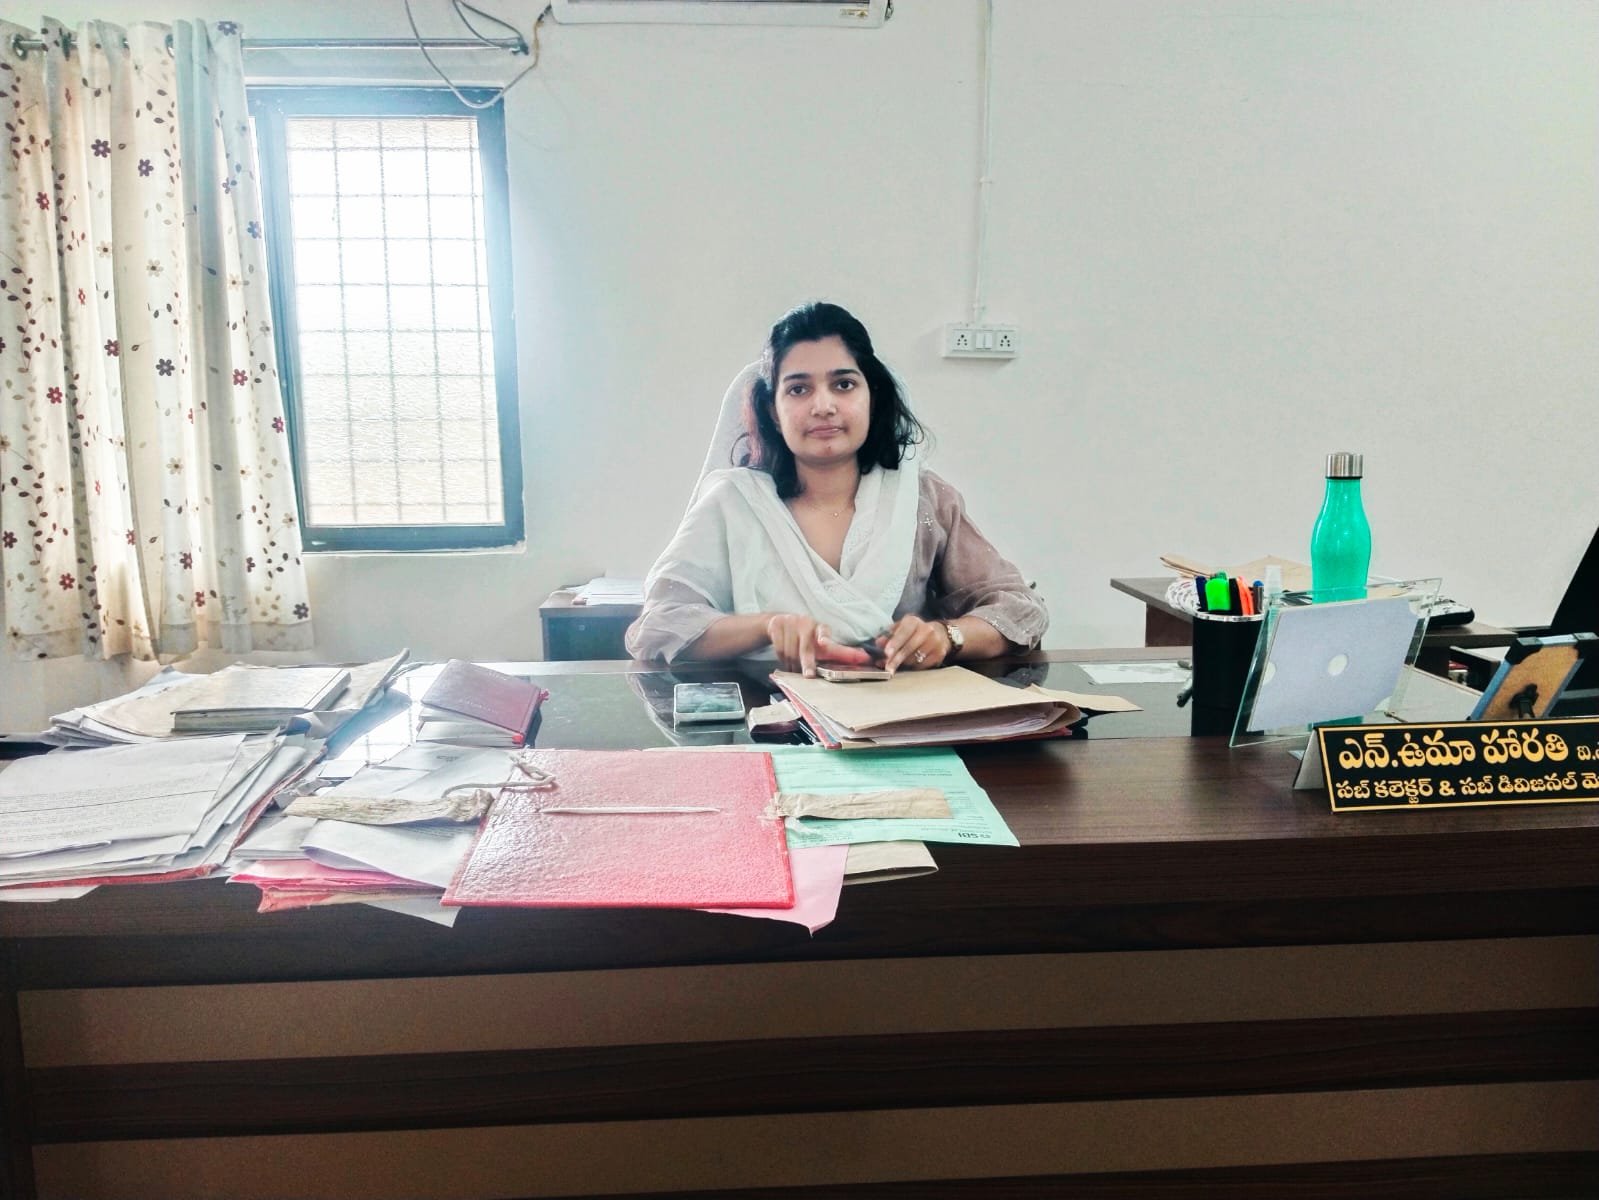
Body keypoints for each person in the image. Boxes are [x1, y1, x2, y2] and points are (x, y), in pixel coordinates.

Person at [625, 302, 1048, 676]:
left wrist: (947, 636)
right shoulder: (732, 503)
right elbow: (659, 625)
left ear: (872, 397)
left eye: (843, 384)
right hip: (768, 720)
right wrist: (767, 627)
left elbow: (1019, 609)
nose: (823, 406)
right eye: (798, 389)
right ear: (773, 411)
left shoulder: (923, 499)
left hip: (902, 721)